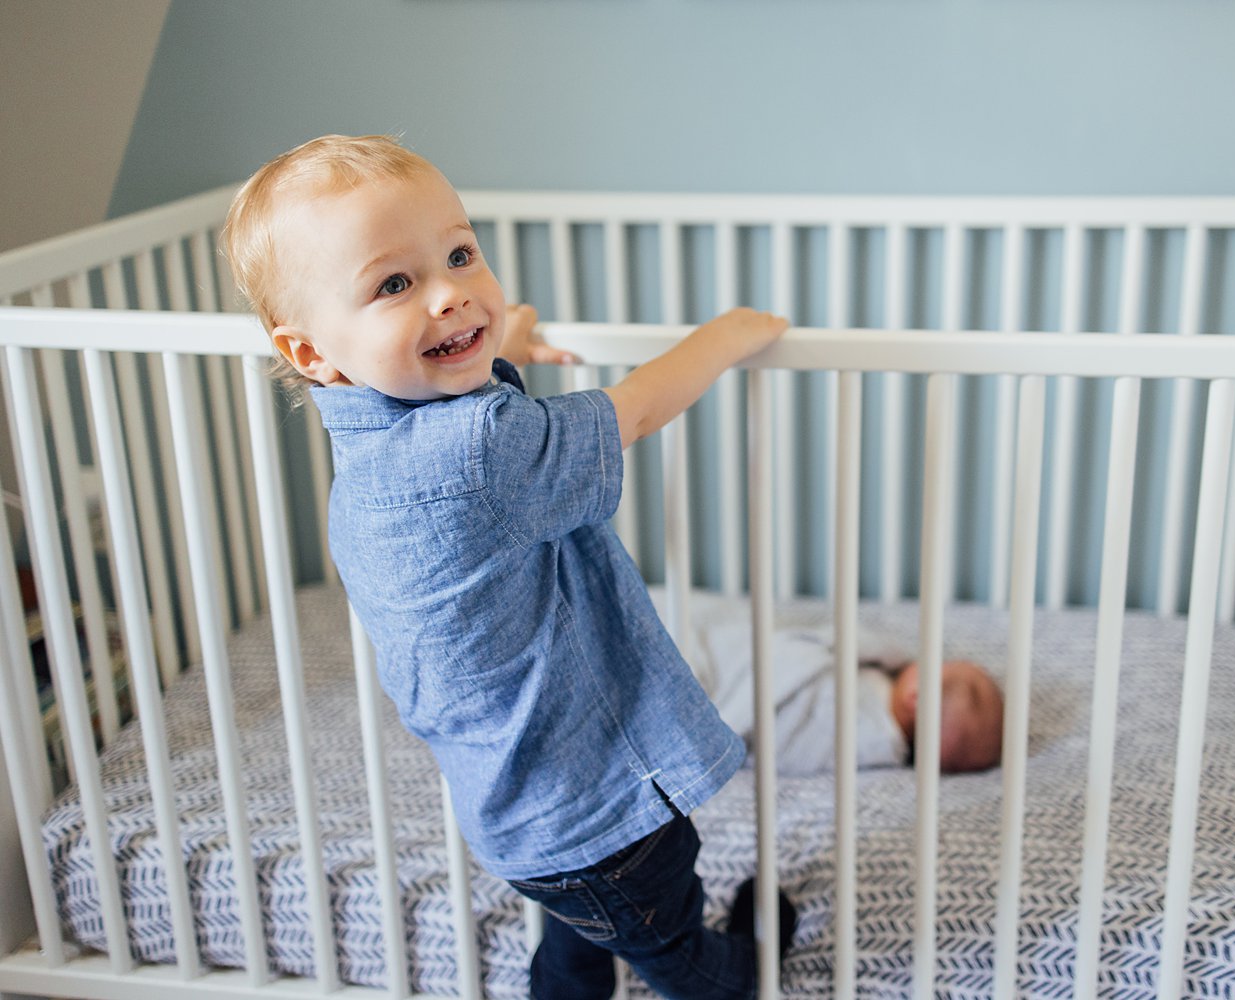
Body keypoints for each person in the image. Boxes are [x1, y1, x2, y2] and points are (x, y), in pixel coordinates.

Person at [220, 134, 793, 1000]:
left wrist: (503, 340)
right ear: (311, 353)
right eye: (395, 284)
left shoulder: (377, 448)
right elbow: (628, 415)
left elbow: (473, 419)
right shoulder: (479, 451)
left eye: (458, 255)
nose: (450, 293)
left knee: (576, 938)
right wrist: (725, 337)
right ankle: (733, 978)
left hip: (520, 823)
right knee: (677, 952)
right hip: (609, 821)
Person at [661, 592, 1005, 775]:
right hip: (741, 667)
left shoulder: (864, 725)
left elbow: (797, 660)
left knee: (675, 647)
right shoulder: (877, 740)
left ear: (915, 697)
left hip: (722, 681)